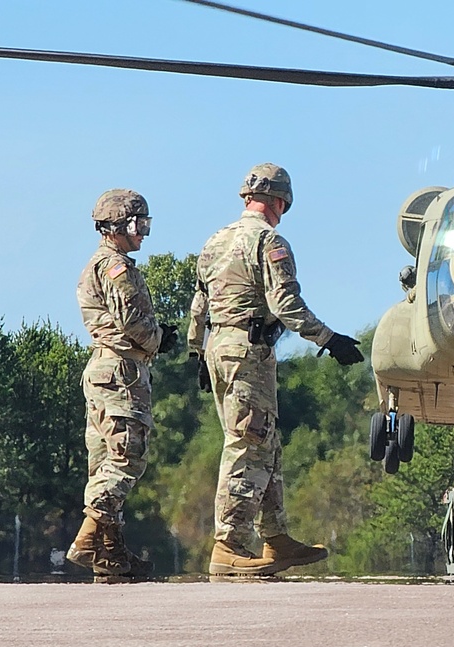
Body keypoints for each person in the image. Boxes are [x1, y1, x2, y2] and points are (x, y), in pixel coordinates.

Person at [187, 162, 364, 576]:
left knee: (265, 442)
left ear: (246, 197)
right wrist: (328, 339)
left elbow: (199, 304)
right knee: (247, 443)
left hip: (220, 346)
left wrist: (198, 351)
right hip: (248, 351)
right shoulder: (269, 242)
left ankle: (276, 537)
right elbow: (284, 304)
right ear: (281, 201)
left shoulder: (215, 241)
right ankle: (228, 545)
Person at [68, 189, 178, 577]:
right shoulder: (116, 267)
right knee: (127, 457)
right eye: (138, 224)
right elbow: (132, 320)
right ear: (116, 226)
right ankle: (88, 539)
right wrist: (160, 337)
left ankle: (110, 553)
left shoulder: (97, 264)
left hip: (102, 370)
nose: (143, 233)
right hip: (121, 372)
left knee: (102, 464)